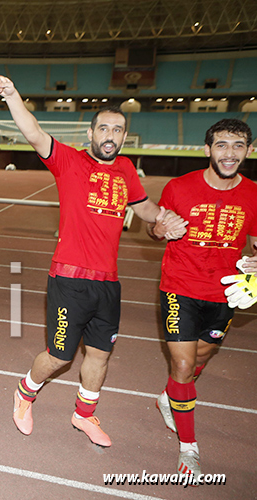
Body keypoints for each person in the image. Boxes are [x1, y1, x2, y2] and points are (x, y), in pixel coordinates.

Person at [0, 75, 188, 447]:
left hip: (108, 283)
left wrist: (166, 220)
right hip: (69, 280)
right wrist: (13, 95)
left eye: (118, 129)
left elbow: (145, 208)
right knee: (58, 356)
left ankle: (83, 415)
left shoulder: (126, 169)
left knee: (100, 355)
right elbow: (33, 132)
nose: (110, 135)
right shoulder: (69, 160)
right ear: (91, 132)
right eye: (104, 128)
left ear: (124, 136)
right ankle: (24, 393)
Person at [147, 118, 257, 478]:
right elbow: (153, 230)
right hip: (180, 286)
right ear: (208, 149)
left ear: (249, 150)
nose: (230, 153)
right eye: (222, 145)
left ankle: (169, 395)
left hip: (225, 291)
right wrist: (159, 229)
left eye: (238, 145)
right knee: (182, 365)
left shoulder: (254, 194)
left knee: (199, 360)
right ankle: (189, 446)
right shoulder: (179, 187)